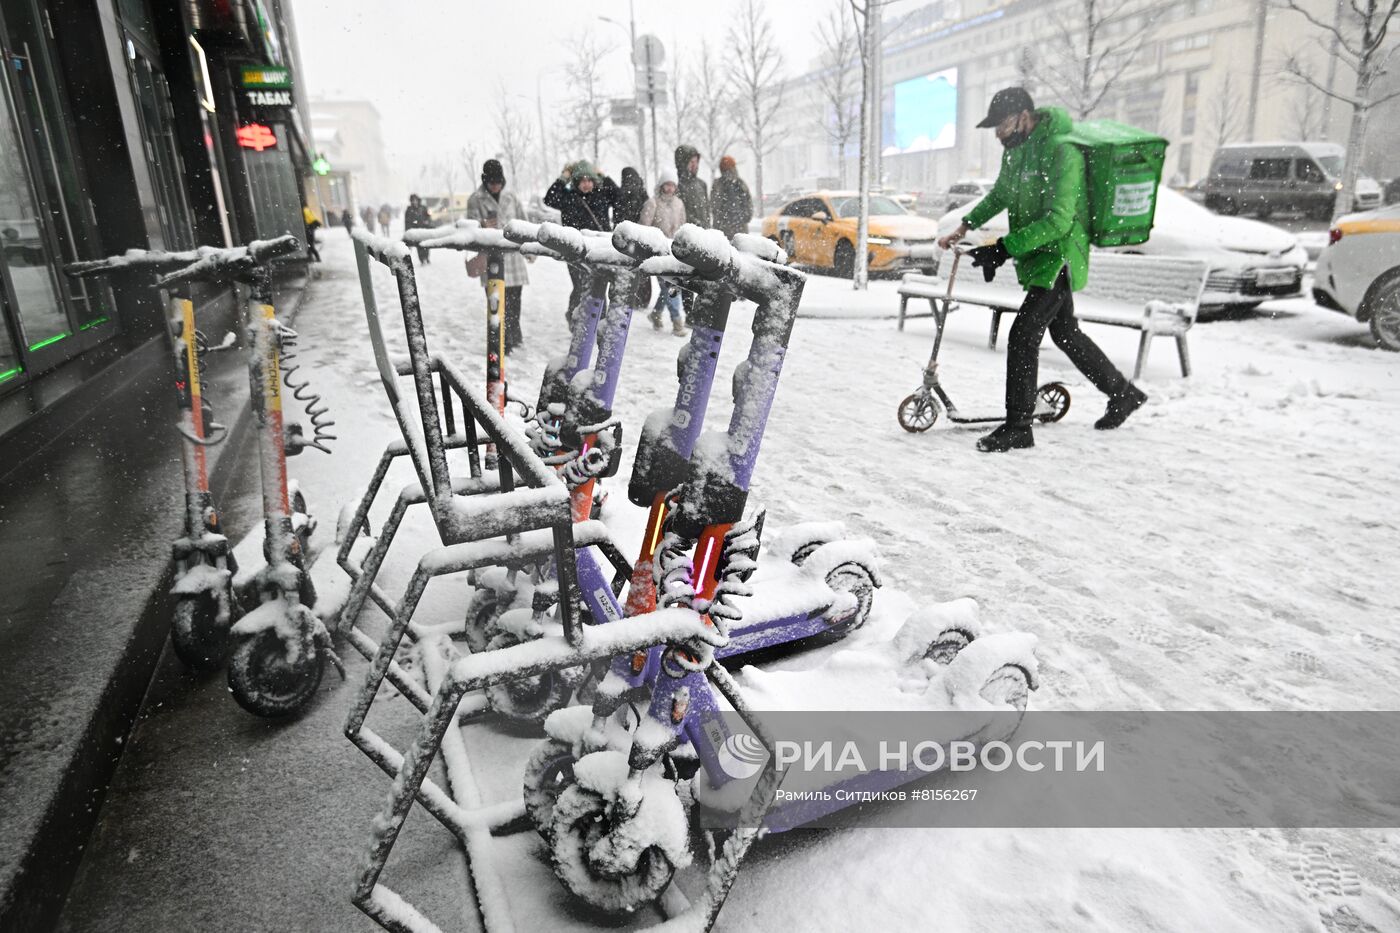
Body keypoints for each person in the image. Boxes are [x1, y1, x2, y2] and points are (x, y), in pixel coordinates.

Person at [938, 87, 1147, 453]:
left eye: (1002, 125)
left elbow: (1059, 222)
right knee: (1066, 333)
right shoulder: (1017, 154)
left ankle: (1019, 426)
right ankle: (1123, 393)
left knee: (1022, 336)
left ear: (1023, 116)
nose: (999, 134)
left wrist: (1003, 248)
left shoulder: (1063, 152)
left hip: (1060, 257)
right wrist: (966, 224)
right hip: (1038, 256)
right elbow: (1001, 194)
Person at [543, 159, 620, 319]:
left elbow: (619, 196)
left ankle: (598, 320)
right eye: (582, 180)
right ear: (576, 182)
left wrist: (603, 176)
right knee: (580, 286)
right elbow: (549, 198)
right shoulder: (568, 197)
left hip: (599, 250)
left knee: (599, 285)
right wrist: (563, 178)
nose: (586, 184)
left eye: (589, 180)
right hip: (574, 251)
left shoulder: (602, 195)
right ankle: (574, 316)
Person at [467, 159, 530, 352]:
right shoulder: (475, 199)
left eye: (498, 182)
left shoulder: (512, 196)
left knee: (514, 299)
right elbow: (470, 227)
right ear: (485, 181)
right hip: (491, 257)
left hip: (513, 257)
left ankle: (514, 334)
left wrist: (529, 248)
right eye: (491, 182)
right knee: (496, 301)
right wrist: (482, 225)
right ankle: (503, 339)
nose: (495, 186)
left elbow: (524, 222)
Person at [640, 167, 687, 335]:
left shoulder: (679, 204)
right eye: (666, 185)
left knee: (670, 285)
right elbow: (644, 227)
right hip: (658, 251)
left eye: (672, 185)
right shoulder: (652, 203)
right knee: (671, 285)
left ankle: (656, 313)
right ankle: (677, 322)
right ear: (661, 185)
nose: (670, 188)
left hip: (674, 251)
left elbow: (682, 226)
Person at [674, 145, 710, 318]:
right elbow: (679, 213)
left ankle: (697, 311)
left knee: (701, 276)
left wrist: (708, 229)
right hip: (688, 236)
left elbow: (706, 210)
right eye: (691, 162)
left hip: (703, 236)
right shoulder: (678, 185)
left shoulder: (701, 184)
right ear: (683, 163)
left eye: (697, 162)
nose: (695, 165)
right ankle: (689, 312)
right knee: (686, 275)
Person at [615, 166, 652, 309]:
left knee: (629, 267)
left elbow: (619, 214)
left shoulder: (622, 191)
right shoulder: (642, 190)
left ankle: (632, 296)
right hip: (640, 234)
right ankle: (644, 298)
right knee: (642, 267)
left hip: (626, 235)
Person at [710, 155, 753, 240]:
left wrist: (745, 216)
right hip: (729, 230)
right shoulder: (720, 185)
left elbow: (748, 203)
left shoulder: (739, 184)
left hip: (733, 230)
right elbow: (714, 206)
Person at [404, 194, 434, 264]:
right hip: (416, 231)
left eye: (415, 200)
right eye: (413, 200)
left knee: (427, 244)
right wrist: (408, 231)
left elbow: (429, 217)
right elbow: (407, 222)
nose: (414, 202)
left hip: (424, 229)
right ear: (411, 201)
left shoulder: (423, 207)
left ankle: (427, 258)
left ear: (418, 200)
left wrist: (428, 222)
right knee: (419, 245)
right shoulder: (409, 210)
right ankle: (422, 259)